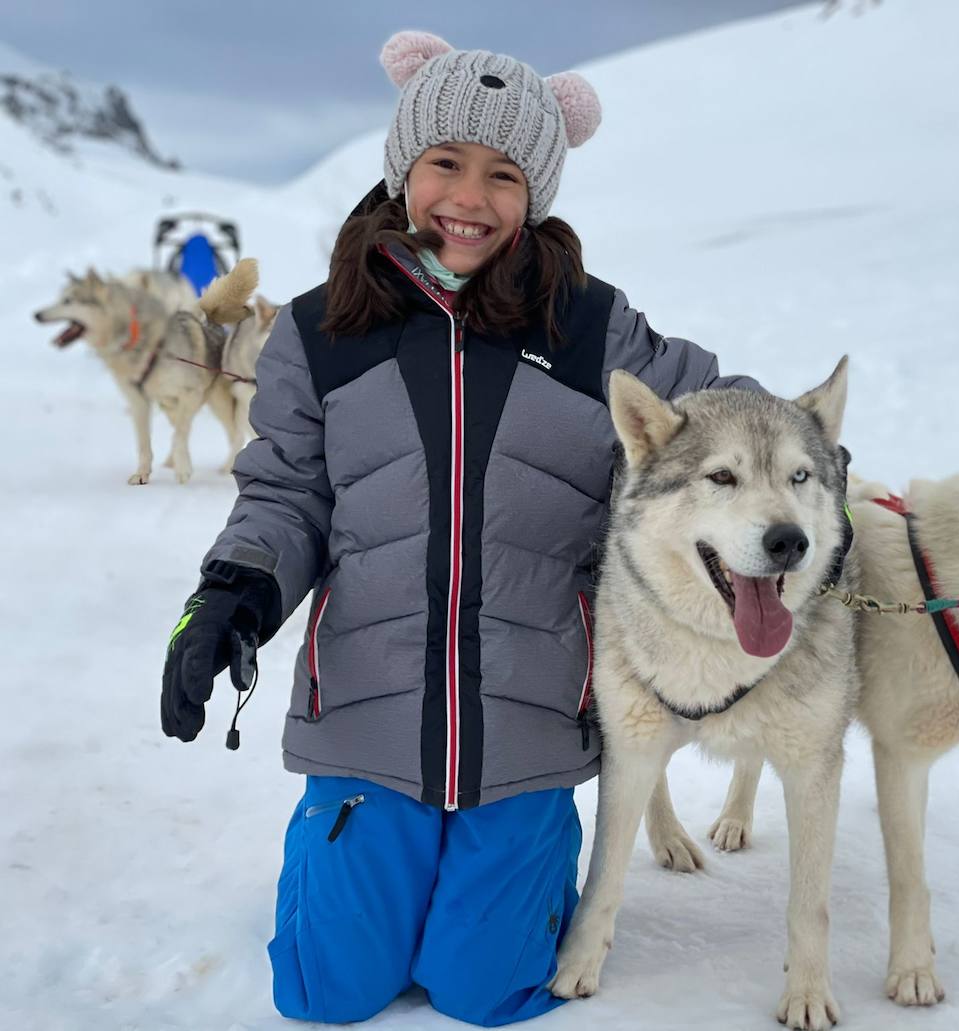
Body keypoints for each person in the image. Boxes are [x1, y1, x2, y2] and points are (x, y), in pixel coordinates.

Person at [159, 30, 756, 1027]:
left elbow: (721, 409)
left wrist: (803, 482)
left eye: (504, 173)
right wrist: (233, 591)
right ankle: (359, 859)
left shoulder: (591, 328)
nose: (469, 197)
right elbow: (286, 495)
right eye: (446, 162)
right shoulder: (319, 332)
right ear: (404, 166)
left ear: (538, 193)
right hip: (365, 721)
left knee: (490, 991)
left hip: (526, 726)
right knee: (324, 991)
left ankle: (517, 857)